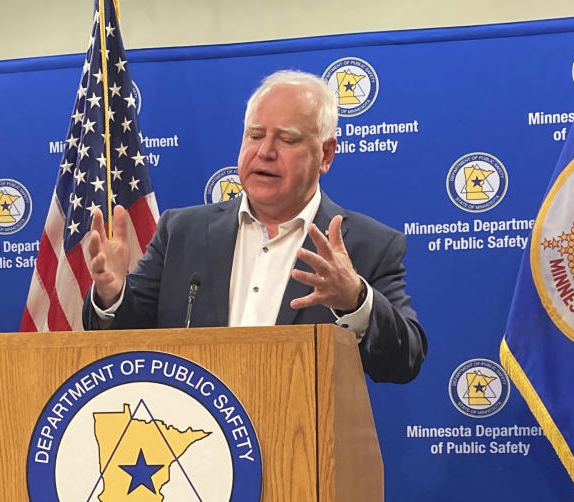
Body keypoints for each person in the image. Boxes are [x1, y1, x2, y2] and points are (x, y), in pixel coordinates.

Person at [83, 70, 426, 383]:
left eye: (287, 139)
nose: (265, 151)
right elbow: (130, 339)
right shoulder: (181, 232)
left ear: (325, 155)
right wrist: (112, 293)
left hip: (303, 443)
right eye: (255, 135)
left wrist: (356, 301)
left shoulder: (368, 245)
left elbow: (405, 361)